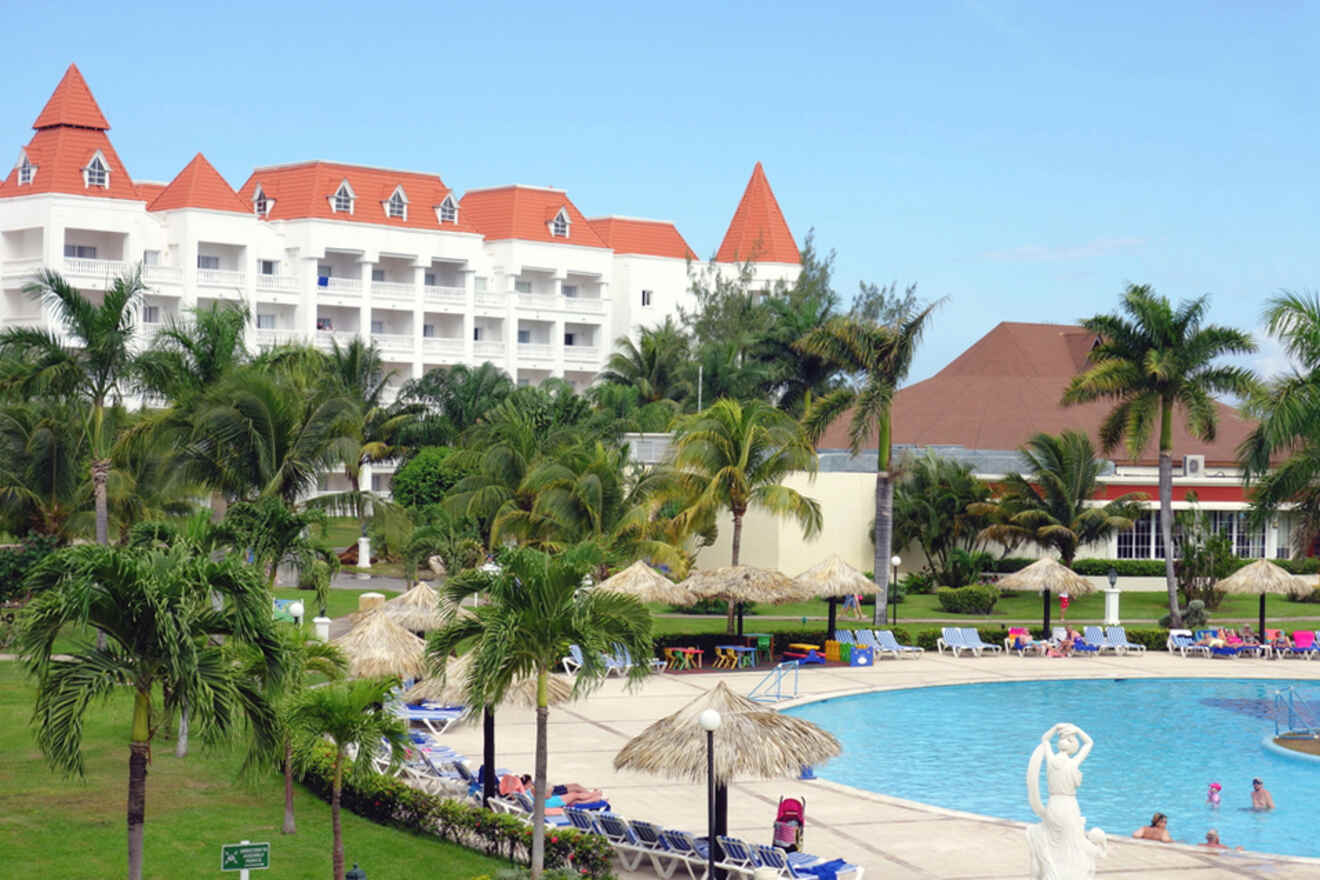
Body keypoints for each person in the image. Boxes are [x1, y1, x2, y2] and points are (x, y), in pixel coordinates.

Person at [1025, 722, 1107, 877]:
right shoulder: (1073, 762)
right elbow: (1089, 743)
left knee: (1053, 843)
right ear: (1072, 747)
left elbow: (1045, 740)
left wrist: (1055, 728)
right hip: (1069, 805)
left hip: (1053, 805)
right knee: (1071, 843)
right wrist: (1076, 729)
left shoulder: (1050, 760)